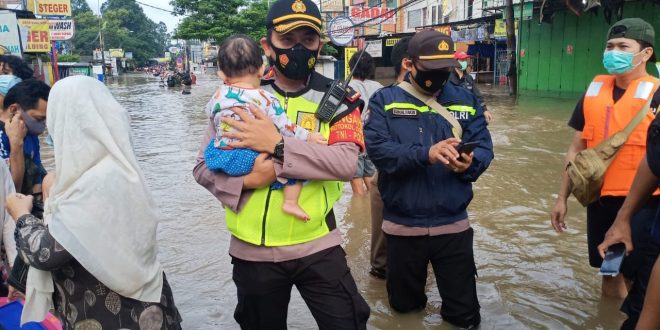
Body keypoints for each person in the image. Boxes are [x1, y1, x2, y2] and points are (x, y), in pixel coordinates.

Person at [193, 0, 370, 329]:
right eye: (288, 40)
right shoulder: (234, 98)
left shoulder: (341, 100)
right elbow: (203, 168)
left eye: (308, 39)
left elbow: (348, 164)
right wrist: (250, 180)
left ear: (321, 44)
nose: (299, 49)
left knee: (349, 322)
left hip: (319, 244)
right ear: (266, 45)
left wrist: (276, 146)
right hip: (252, 253)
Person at [4, 75, 182, 329]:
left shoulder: (92, 183)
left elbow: (46, 253)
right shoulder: (120, 168)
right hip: (146, 306)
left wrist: (22, 216)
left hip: (112, 315)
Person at [364, 29, 493, 329]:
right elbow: (380, 153)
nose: (439, 77)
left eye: (445, 70)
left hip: (454, 227)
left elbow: (485, 148)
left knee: (464, 316)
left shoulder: (466, 101)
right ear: (409, 65)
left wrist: (469, 165)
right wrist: (426, 154)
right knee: (404, 312)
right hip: (402, 229)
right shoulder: (384, 101)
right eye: (431, 70)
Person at [550, 18, 659, 300]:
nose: (613, 52)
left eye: (623, 46)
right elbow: (576, 150)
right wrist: (562, 197)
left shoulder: (657, 94)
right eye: (610, 46)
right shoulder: (593, 92)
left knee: (638, 278)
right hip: (600, 199)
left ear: (646, 53)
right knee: (609, 272)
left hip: (645, 203)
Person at [204, 35, 327, 221]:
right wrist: (309, 137)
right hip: (250, 159)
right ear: (262, 69)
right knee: (293, 166)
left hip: (220, 157)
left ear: (221, 75)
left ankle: (227, 197)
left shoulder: (217, 95)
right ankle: (291, 202)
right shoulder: (266, 99)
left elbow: (211, 116)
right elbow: (287, 127)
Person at [597, 103, 660, 328]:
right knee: (613, 275)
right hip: (611, 199)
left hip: (649, 205)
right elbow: (655, 158)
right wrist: (623, 218)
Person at [367, 36, 411, 280]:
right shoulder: (383, 99)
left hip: (422, 184)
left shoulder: (444, 100)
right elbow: (376, 147)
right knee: (381, 261)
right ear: (408, 64)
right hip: (386, 177)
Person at [0, 79, 49, 196]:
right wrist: (16, 144)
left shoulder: (30, 135)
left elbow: (37, 177)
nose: (43, 124)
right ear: (14, 110)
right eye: (39, 119)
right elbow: (11, 193)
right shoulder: (3, 138)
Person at [347, 50, 382, 196]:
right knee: (370, 175)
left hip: (355, 136)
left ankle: (359, 212)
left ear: (351, 67)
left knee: (355, 176)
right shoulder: (379, 87)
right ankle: (370, 210)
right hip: (374, 135)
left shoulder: (348, 86)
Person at [449, 51, 492, 123]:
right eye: (462, 60)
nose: (464, 62)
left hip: (467, 117)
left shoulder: (469, 79)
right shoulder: (448, 78)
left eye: (465, 60)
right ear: (455, 61)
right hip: (452, 117)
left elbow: (477, 96)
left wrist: (485, 110)